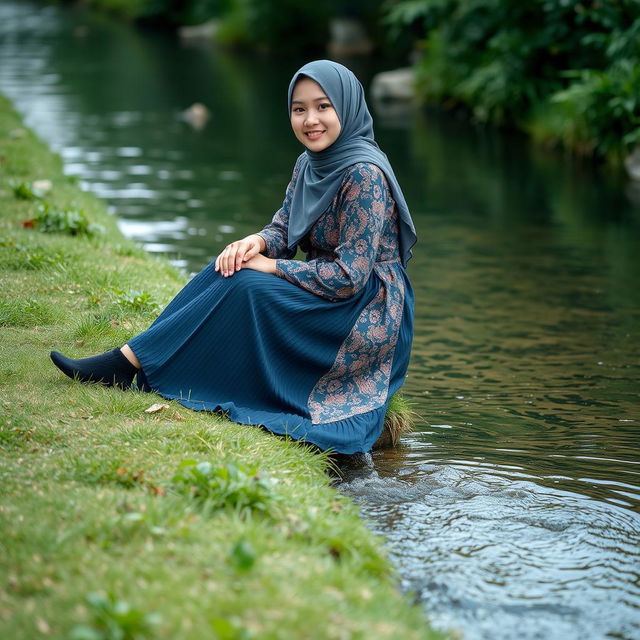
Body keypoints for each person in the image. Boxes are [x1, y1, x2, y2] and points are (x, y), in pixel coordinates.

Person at [50, 60, 417, 455]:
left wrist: (273, 266)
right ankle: (131, 359)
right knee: (231, 264)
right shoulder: (309, 163)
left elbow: (350, 277)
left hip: (365, 314)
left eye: (323, 107)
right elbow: (283, 227)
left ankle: (129, 365)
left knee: (248, 284)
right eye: (299, 109)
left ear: (346, 107)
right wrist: (256, 243)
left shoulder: (363, 173)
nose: (311, 120)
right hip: (326, 289)